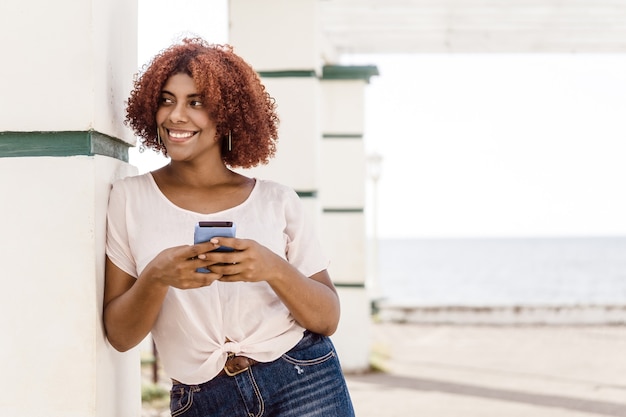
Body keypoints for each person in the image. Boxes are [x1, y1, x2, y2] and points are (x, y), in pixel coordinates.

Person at [103, 37, 355, 417]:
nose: (175, 116)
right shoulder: (129, 199)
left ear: (227, 114)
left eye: (196, 103)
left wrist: (272, 268)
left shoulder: (276, 200)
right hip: (203, 400)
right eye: (167, 100)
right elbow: (120, 337)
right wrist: (156, 276)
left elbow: (327, 318)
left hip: (304, 379)